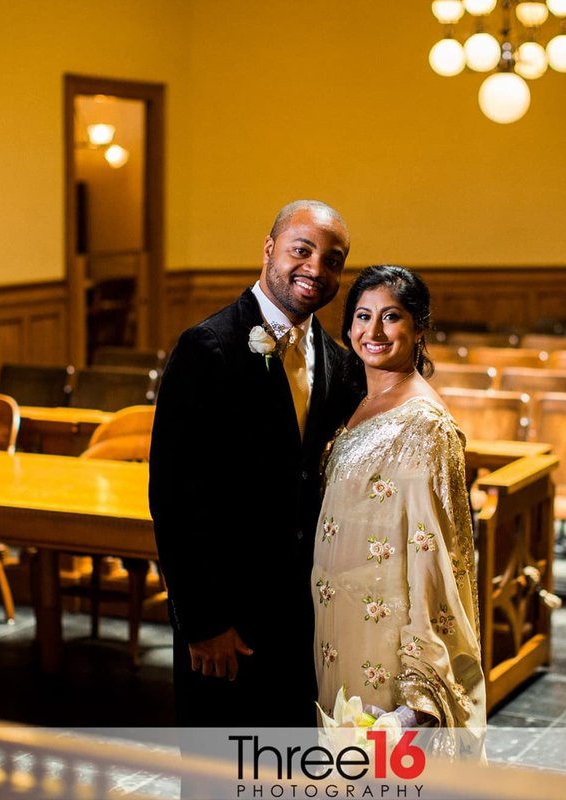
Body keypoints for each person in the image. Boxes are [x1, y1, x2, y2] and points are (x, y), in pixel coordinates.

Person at [149, 199, 361, 729]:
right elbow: (173, 496)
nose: (316, 268)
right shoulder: (207, 347)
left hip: (303, 615)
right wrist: (202, 621)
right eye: (302, 250)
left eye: (332, 259)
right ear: (269, 250)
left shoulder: (337, 361)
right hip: (226, 620)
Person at [312, 265, 486, 758]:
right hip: (337, 622)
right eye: (363, 317)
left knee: (384, 766)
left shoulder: (427, 426)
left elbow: (436, 559)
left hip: (387, 640)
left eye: (391, 317)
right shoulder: (359, 401)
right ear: (347, 329)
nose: (374, 331)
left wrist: (417, 693)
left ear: (419, 328)